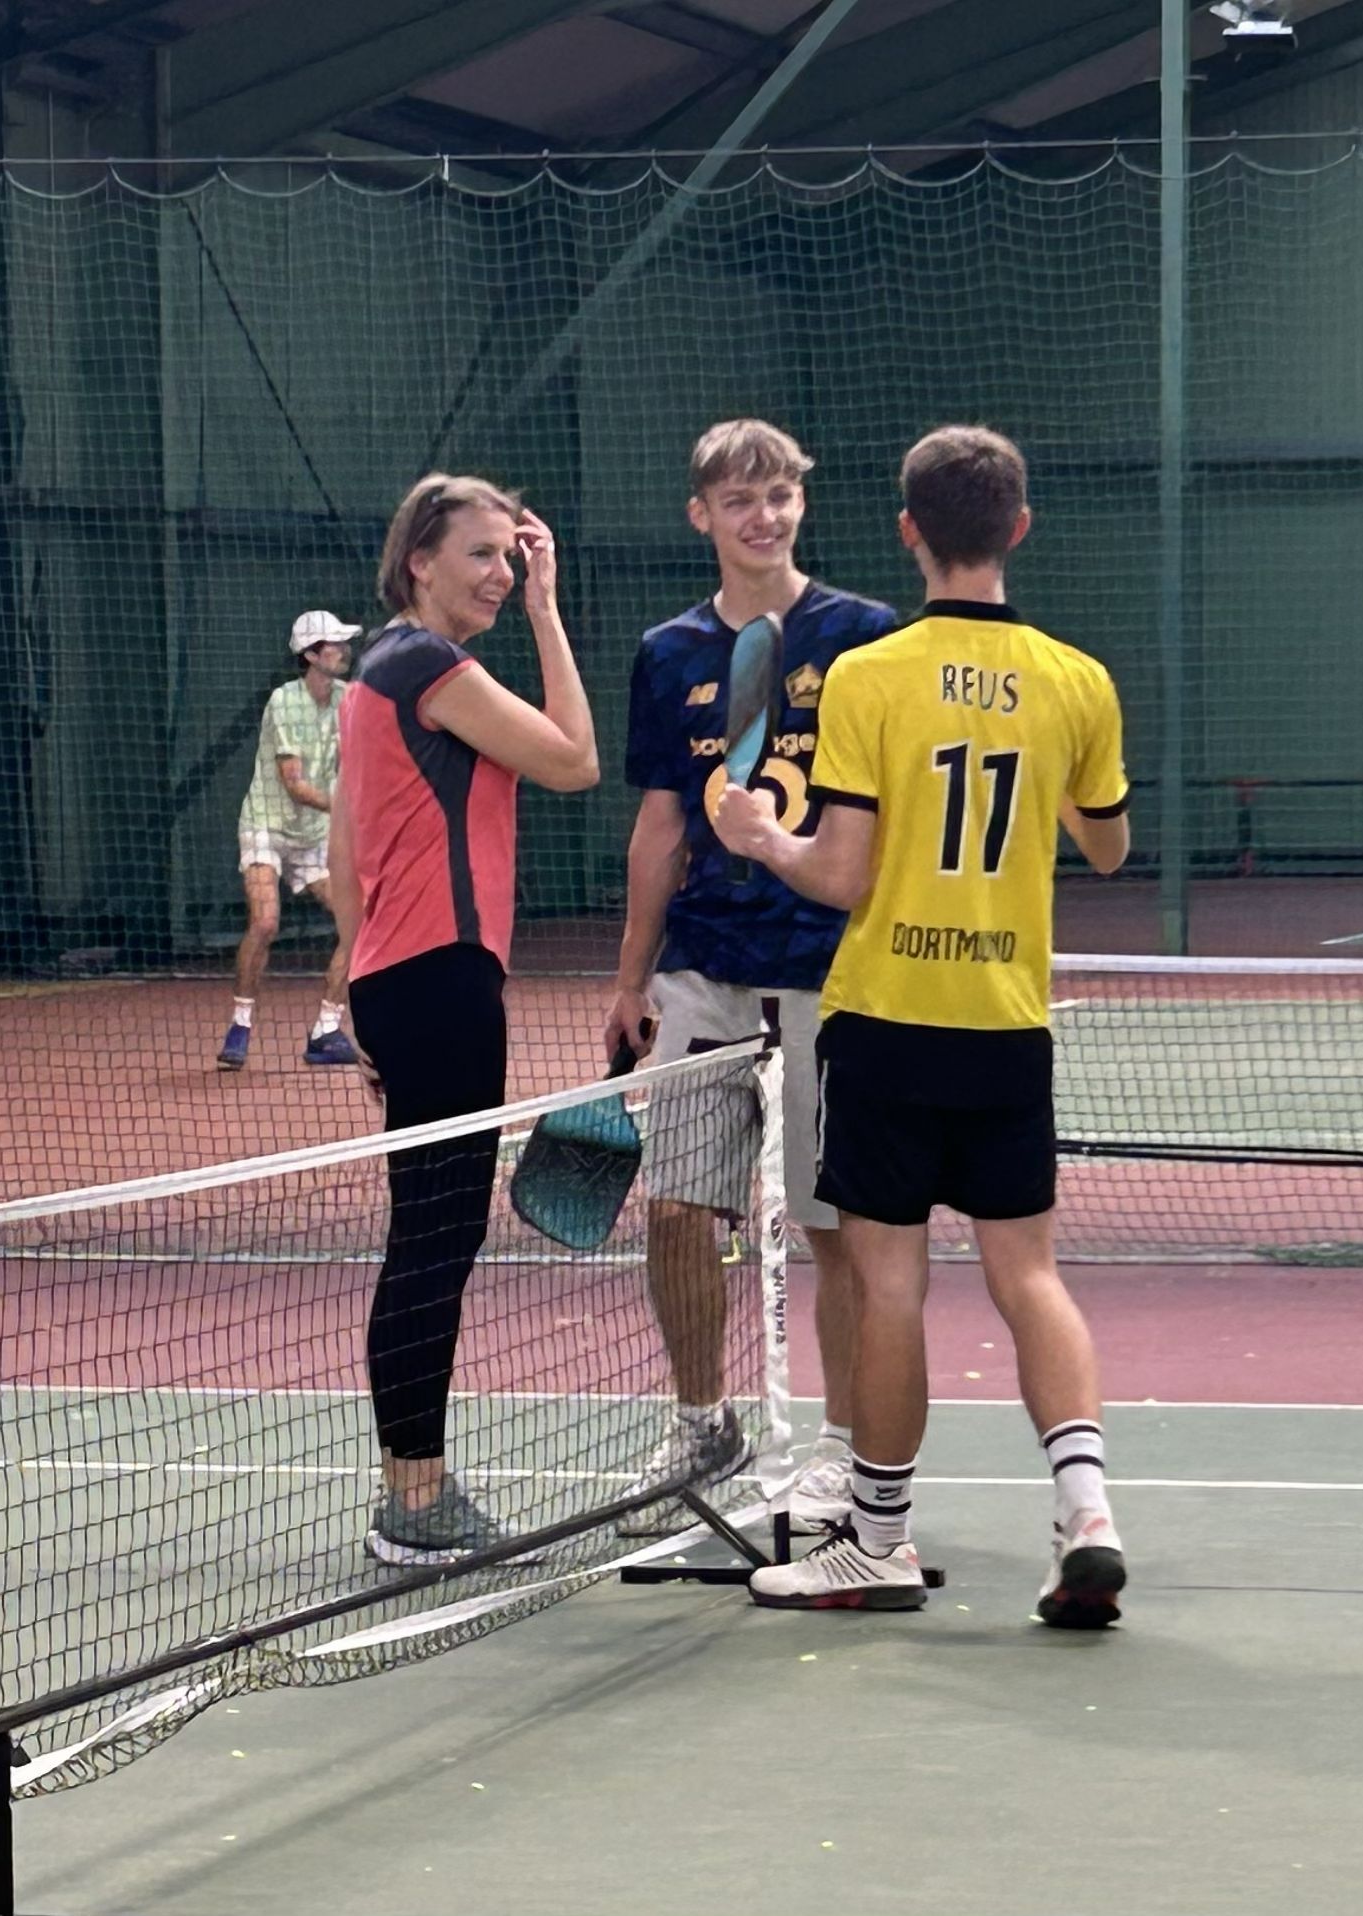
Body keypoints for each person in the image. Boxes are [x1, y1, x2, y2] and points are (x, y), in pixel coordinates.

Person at [715, 425, 1131, 1626]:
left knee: (890, 1284)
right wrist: (1050, 779)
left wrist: (764, 839)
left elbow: (841, 872)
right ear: (1019, 527)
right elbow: (1108, 844)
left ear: (909, 530)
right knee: (1029, 1274)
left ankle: (878, 1542)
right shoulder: (1078, 680)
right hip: (1007, 1024)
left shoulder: (869, 674)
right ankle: (1088, 1511)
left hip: (888, 1021)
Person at [605, 419, 897, 1533]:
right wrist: (630, 978)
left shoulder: (865, 637)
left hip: (831, 969)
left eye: (778, 495)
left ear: (800, 504)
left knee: (836, 1223)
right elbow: (659, 825)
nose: (762, 516)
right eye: (739, 499)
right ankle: (700, 1424)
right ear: (702, 515)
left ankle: (845, 1446)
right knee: (678, 1209)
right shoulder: (667, 651)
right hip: (704, 968)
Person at [329, 474, 598, 1565]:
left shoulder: (374, 674)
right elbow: (575, 760)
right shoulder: (429, 666)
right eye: (481, 555)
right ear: (420, 562)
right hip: (439, 977)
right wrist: (547, 612)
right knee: (436, 1235)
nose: (501, 573)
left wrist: (356, 987)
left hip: (408, 980)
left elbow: (346, 852)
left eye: (511, 557)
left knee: (432, 1231)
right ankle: (414, 1500)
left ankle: (416, 1486)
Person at [217, 610, 361, 1071]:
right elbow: (295, 785)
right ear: (312, 655)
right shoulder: (284, 702)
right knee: (265, 922)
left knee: (359, 923)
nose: (344, 650)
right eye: (334, 644)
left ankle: (326, 1031)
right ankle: (240, 1025)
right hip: (266, 824)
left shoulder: (348, 698)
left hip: (314, 835)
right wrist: (350, 810)